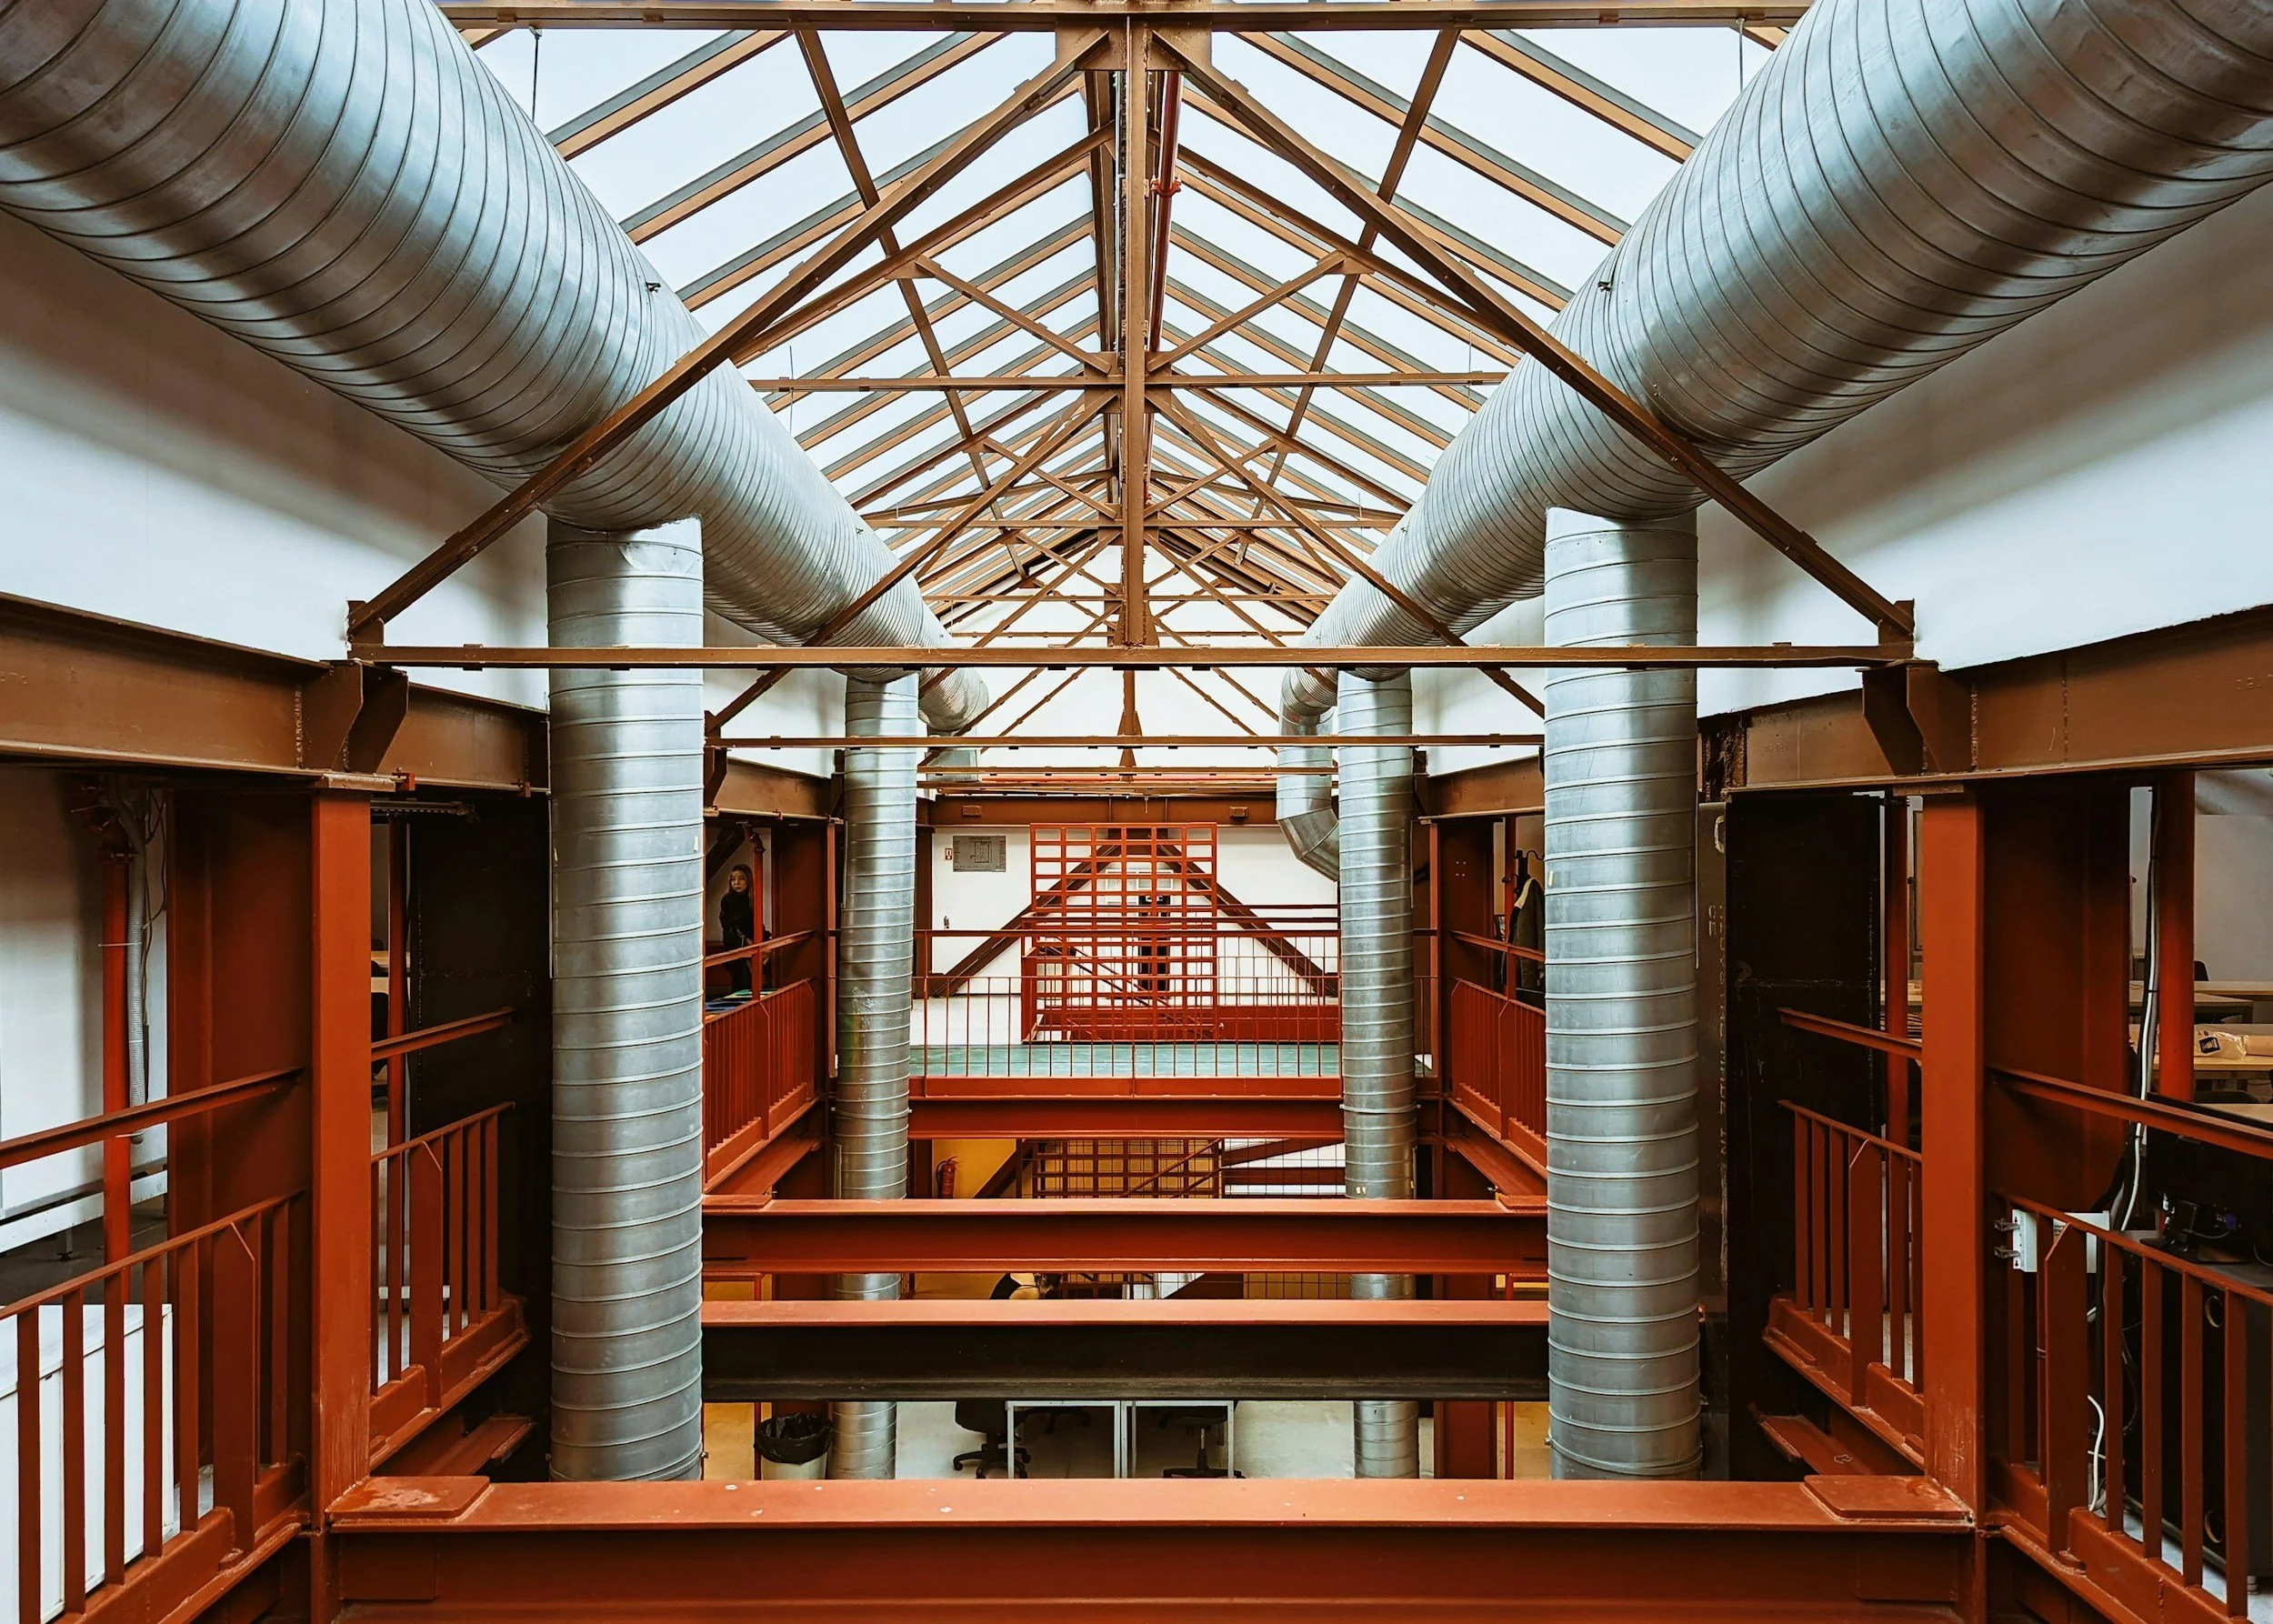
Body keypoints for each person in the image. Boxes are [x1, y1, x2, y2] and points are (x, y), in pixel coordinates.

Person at [720, 863, 756, 997]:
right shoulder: (729, 900)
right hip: (735, 947)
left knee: (749, 983)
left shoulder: (749, 900)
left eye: (741, 878)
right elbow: (742, 922)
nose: (736, 883)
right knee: (742, 985)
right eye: (733, 879)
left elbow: (753, 923)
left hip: (744, 947)